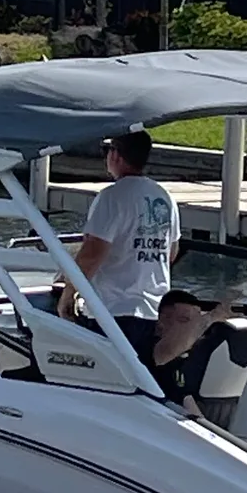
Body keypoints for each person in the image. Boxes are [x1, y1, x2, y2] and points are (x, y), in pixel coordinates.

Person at [67, 126, 181, 364]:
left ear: (116, 155)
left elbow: (92, 254)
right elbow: (171, 253)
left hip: (113, 311)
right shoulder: (164, 197)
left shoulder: (111, 197)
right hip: (154, 311)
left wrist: (69, 294)